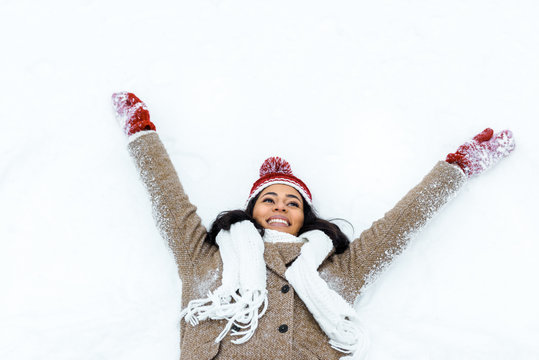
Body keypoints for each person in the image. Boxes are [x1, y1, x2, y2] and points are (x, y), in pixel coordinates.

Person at [111, 92, 515, 360]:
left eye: (293, 203)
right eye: (269, 199)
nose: (280, 207)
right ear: (251, 211)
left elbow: (399, 224)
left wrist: (456, 169)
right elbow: (168, 200)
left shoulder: (332, 269)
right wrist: (141, 133)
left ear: (305, 217)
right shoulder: (208, 257)